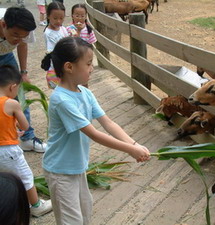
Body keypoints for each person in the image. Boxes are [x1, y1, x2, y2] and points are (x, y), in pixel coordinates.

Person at [41, 37, 150, 225]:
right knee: (70, 220)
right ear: (69, 67)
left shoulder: (85, 93)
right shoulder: (62, 101)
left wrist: (134, 144)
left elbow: (108, 123)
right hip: (60, 171)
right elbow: (94, 133)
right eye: (89, 63)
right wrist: (130, 150)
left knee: (85, 212)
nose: (92, 68)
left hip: (77, 167)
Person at [0, 65, 52, 218]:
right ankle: (36, 206)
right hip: (8, 150)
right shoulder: (11, 104)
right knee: (26, 177)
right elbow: (25, 126)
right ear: (12, 87)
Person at [0, 7, 47, 152]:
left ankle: (27, 138)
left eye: (22, 36)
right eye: (15, 35)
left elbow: (22, 45)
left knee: (18, 93)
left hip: (6, 55)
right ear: (3, 25)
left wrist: (23, 72)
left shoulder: (24, 28)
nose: (18, 39)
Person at [43, 1, 68, 89]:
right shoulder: (48, 33)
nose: (58, 21)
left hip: (65, 63)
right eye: (55, 18)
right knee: (60, 90)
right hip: (57, 66)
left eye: (61, 18)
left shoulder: (63, 28)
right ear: (48, 16)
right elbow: (53, 51)